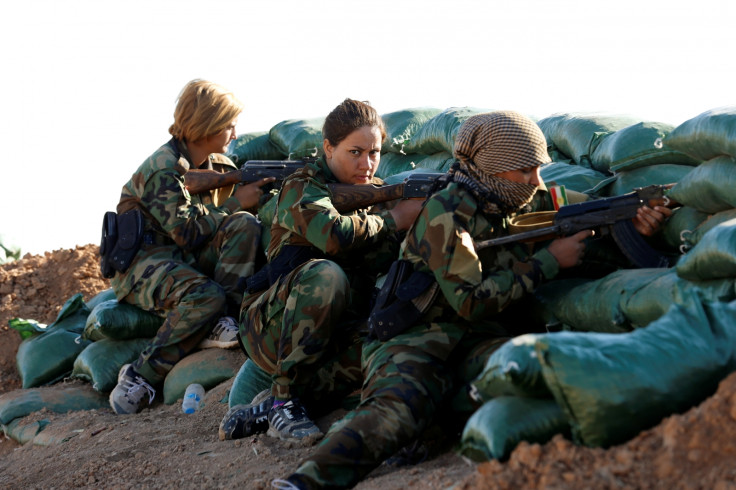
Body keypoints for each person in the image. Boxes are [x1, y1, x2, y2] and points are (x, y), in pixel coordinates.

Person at [278, 110, 672, 489]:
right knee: (400, 411)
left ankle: (434, 421)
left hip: (477, 340)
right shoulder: (448, 211)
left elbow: (590, 212)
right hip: (416, 339)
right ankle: (305, 480)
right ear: (492, 167)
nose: (536, 182)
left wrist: (635, 221)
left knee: (532, 372)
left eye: (540, 169)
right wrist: (548, 261)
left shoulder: (523, 196)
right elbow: (471, 301)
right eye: (525, 170)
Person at [218, 98, 423, 443]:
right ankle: (284, 401)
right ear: (328, 148)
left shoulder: (374, 194)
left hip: (335, 327)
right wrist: (394, 220)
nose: (367, 163)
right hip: (272, 325)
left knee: (389, 347)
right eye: (355, 152)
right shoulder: (302, 185)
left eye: (374, 153)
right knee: (326, 274)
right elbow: (333, 236)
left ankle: (269, 408)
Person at [106, 79, 272, 415]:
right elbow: (187, 232)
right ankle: (140, 375)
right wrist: (235, 201)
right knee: (204, 295)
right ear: (207, 125)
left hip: (177, 256)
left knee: (243, 225)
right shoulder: (163, 169)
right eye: (228, 124)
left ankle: (220, 318)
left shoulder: (205, 164)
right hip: (141, 265)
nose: (235, 132)